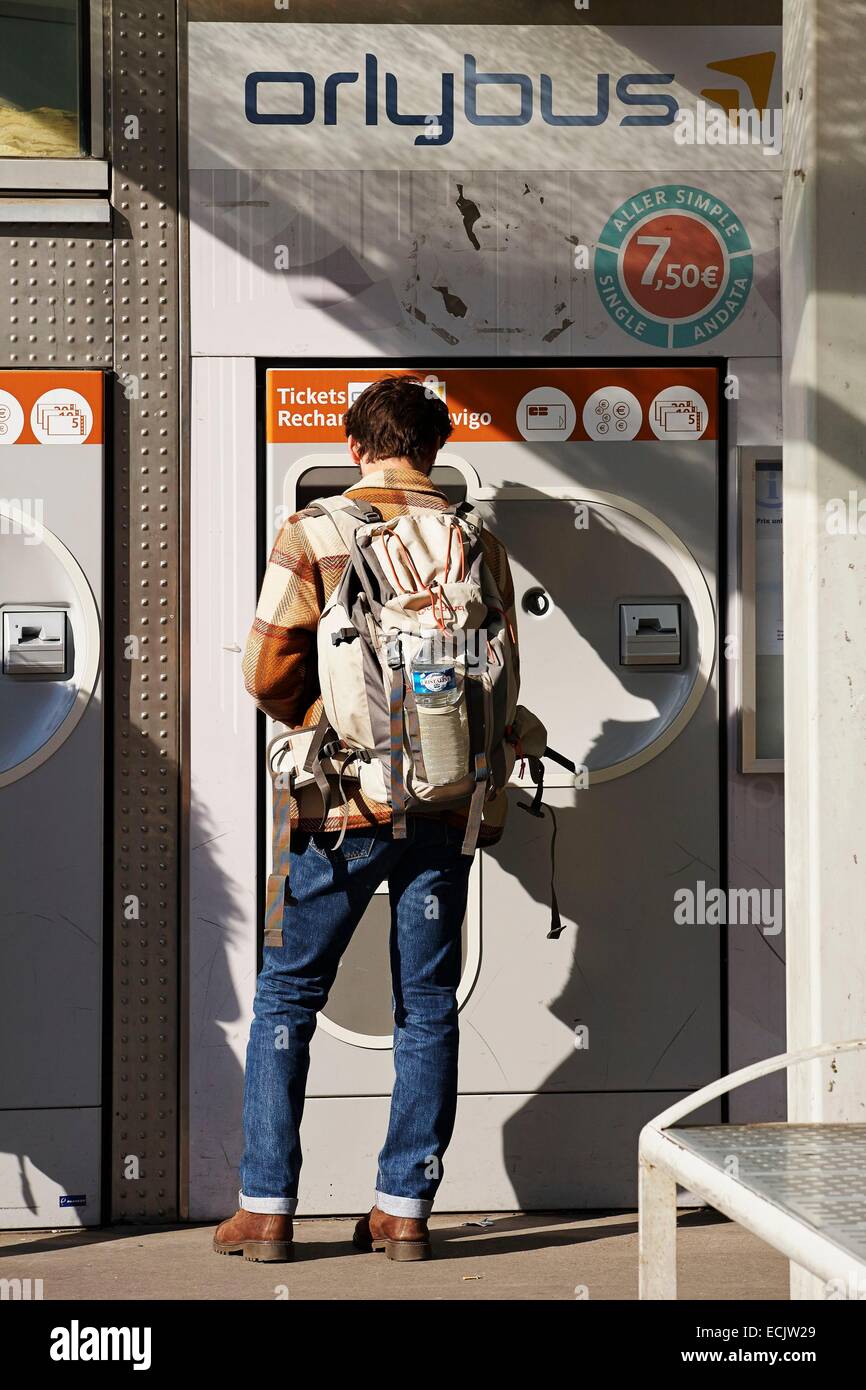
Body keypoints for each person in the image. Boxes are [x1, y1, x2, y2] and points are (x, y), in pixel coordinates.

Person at [214, 375, 519, 1264]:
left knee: (285, 994)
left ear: (356, 447)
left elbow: (266, 670)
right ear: (435, 451)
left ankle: (266, 1210)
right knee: (426, 1004)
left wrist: (331, 725)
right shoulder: (479, 544)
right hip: (444, 805)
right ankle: (403, 1210)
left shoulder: (316, 532)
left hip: (334, 809)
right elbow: (501, 685)